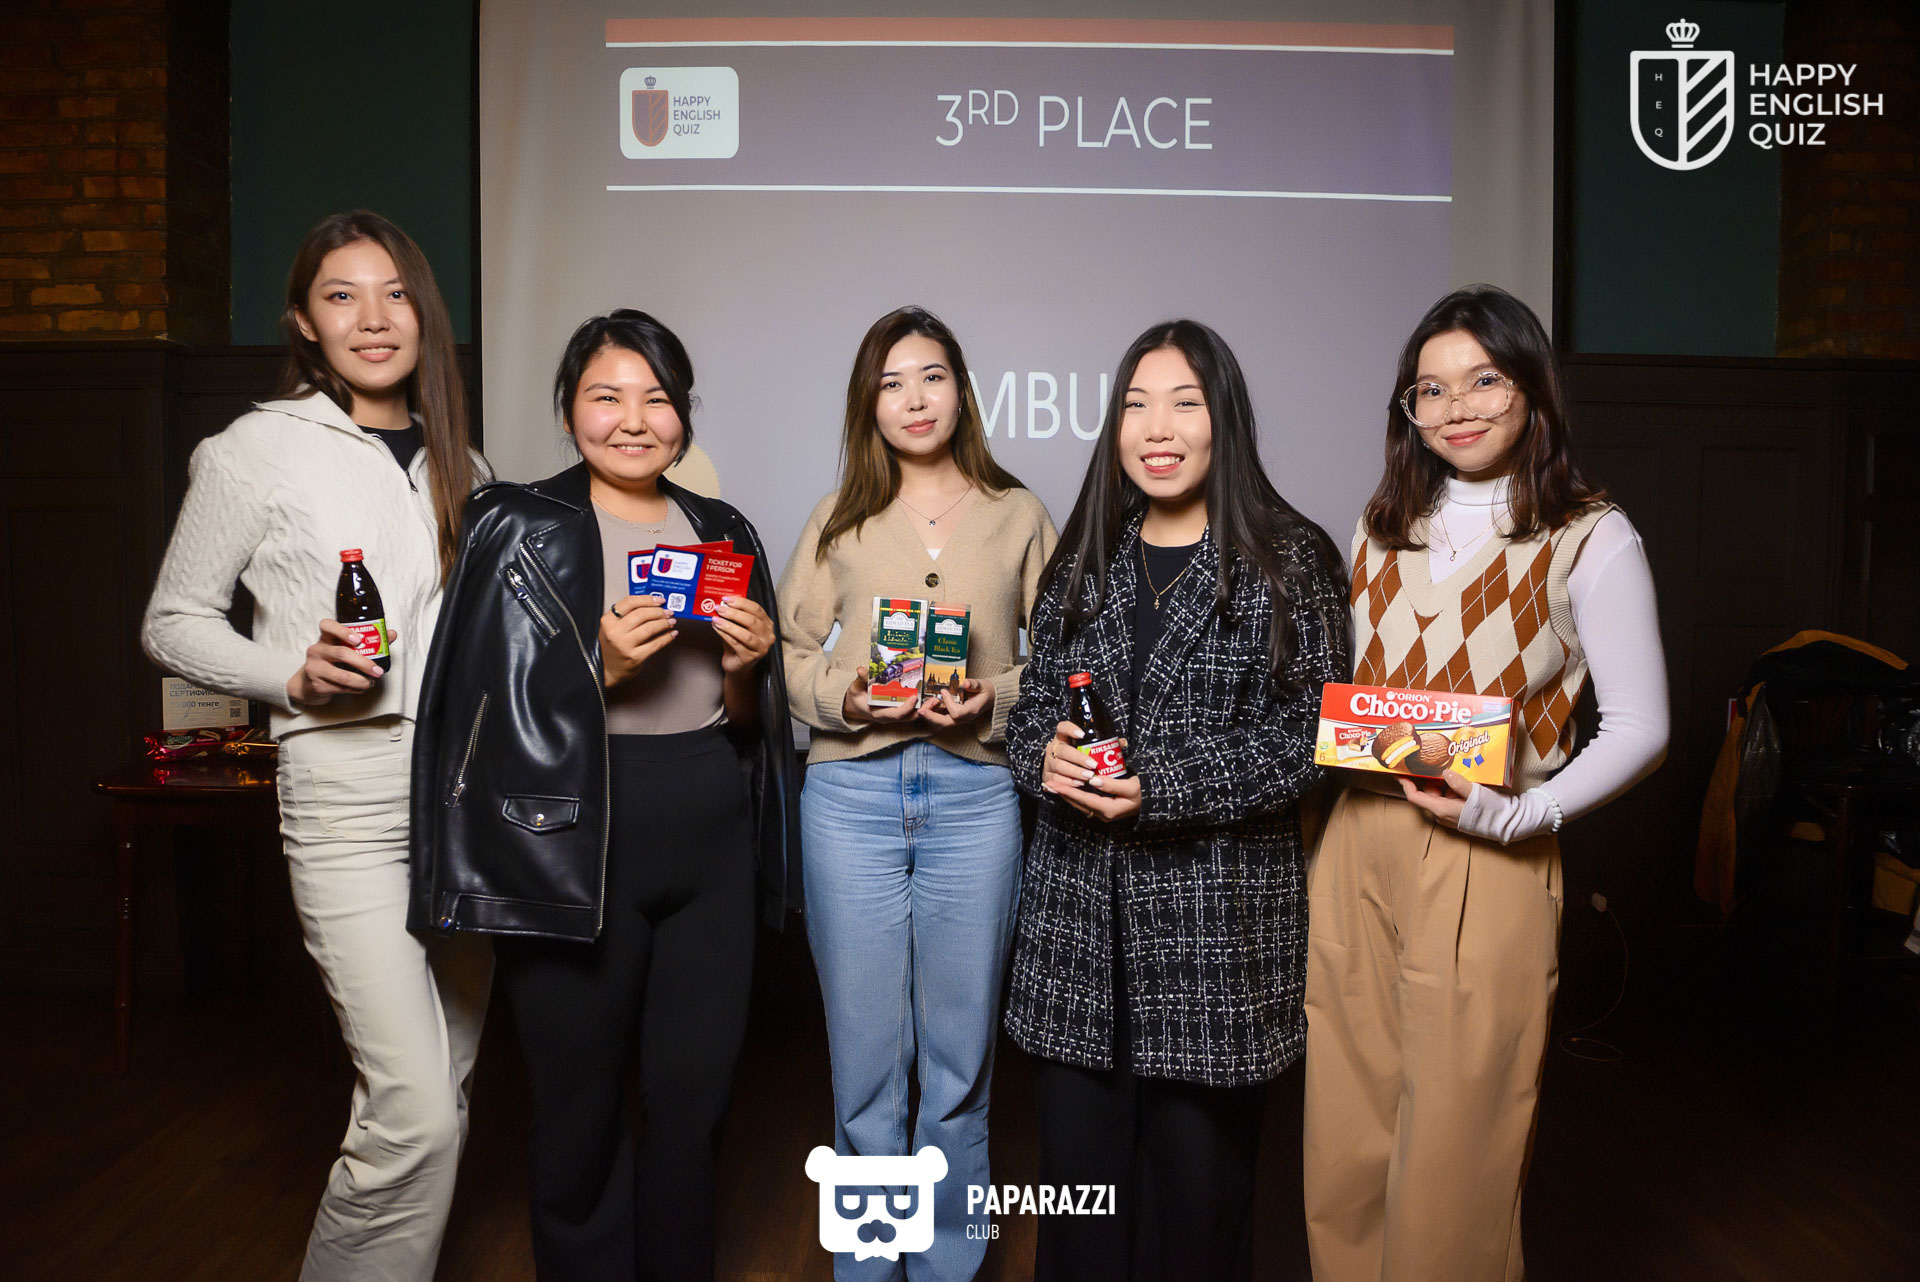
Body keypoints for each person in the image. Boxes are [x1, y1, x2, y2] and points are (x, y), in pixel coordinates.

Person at [408, 309, 800, 1281]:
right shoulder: (515, 523)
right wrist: (598, 667)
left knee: (693, 1109)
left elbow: (743, 724)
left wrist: (748, 670)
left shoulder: (724, 529)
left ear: (684, 414)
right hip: (570, 840)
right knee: (577, 1115)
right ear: (568, 411)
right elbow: (471, 705)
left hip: (709, 842)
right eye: (606, 397)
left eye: (656, 399)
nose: (634, 420)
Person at [141, 210, 492, 1281]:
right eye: (343, 295)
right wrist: (288, 674)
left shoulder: (466, 461)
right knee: (414, 1109)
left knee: (445, 1087)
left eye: (395, 293)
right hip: (346, 792)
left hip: (466, 800)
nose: (374, 318)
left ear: (424, 314)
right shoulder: (254, 448)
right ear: (303, 320)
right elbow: (171, 622)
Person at [1301, 284, 1668, 1282]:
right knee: (1345, 1135)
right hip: (1358, 841)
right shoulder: (1379, 525)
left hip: (1491, 851)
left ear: (1531, 388)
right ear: (1408, 409)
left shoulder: (1591, 533)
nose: (1456, 407)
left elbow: (1643, 726)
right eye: (1431, 389)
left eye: (1484, 380)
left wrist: (1523, 814)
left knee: (1458, 1151)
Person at [1003, 319, 1350, 1282]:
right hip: (1077, 945)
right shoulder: (1085, 555)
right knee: (1079, 1224)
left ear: (1222, 420)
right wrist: (1045, 758)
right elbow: (1031, 709)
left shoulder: (1290, 558)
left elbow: (1313, 735)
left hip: (1216, 947)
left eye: (1185, 404)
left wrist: (1162, 786)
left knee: (1199, 1226)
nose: (1158, 429)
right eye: (1136, 405)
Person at [778, 305, 1055, 1280]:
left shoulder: (1019, 513)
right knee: (864, 1070)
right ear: (869, 403)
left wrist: (993, 698)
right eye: (890, 383)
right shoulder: (839, 516)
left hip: (976, 799)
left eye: (931, 375)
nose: (914, 398)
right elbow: (788, 650)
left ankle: (945, 1268)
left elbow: (1063, 660)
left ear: (961, 391)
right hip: (849, 797)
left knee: (958, 1067)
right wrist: (846, 696)